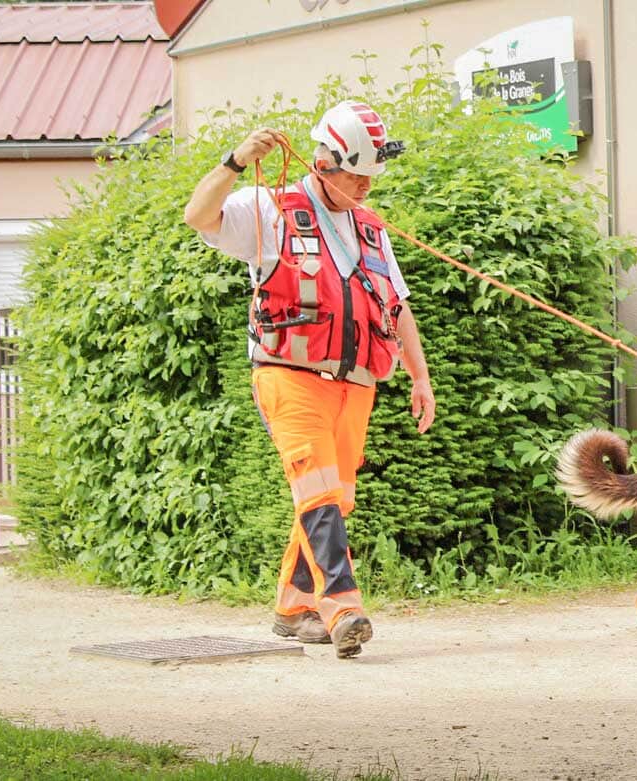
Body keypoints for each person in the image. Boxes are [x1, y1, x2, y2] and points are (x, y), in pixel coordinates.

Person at [183, 101, 436, 658]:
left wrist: (421, 378)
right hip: (288, 375)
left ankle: (294, 606)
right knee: (316, 489)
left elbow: (398, 308)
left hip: (356, 382)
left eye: (372, 175)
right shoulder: (269, 208)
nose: (366, 186)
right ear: (325, 161)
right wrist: (232, 162)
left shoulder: (372, 229)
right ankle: (343, 607)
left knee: (334, 498)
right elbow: (198, 217)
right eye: (356, 174)